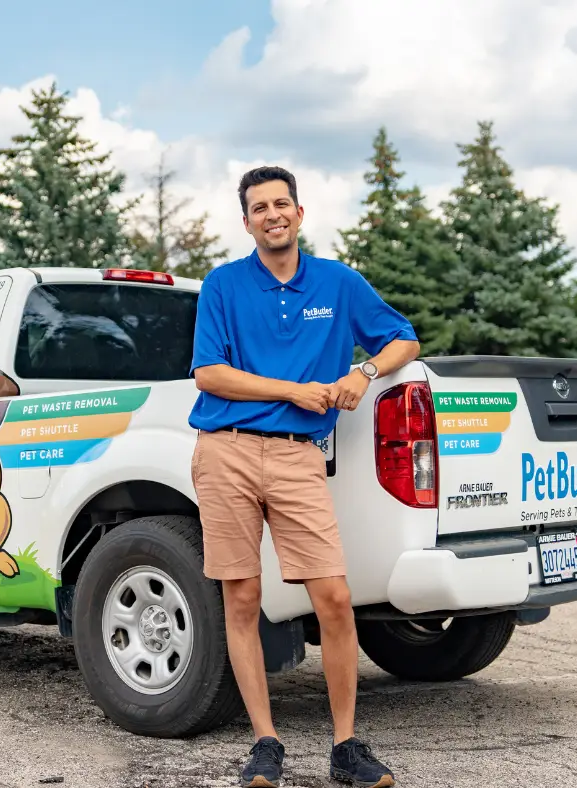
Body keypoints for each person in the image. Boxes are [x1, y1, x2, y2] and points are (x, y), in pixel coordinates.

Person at [188, 166, 420, 788]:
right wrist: (294, 390)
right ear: (247, 223)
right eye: (259, 208)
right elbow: (209, 374)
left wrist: (363, 374)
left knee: (334, 598)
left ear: (299, 212)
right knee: (242, 597)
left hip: (297, 457)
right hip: (226, 451)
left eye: (281, 204)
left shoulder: (338, 282)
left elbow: (404, 340)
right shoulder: (223, 285)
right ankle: (265, 742)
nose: (272, 214)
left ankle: (345, 746)